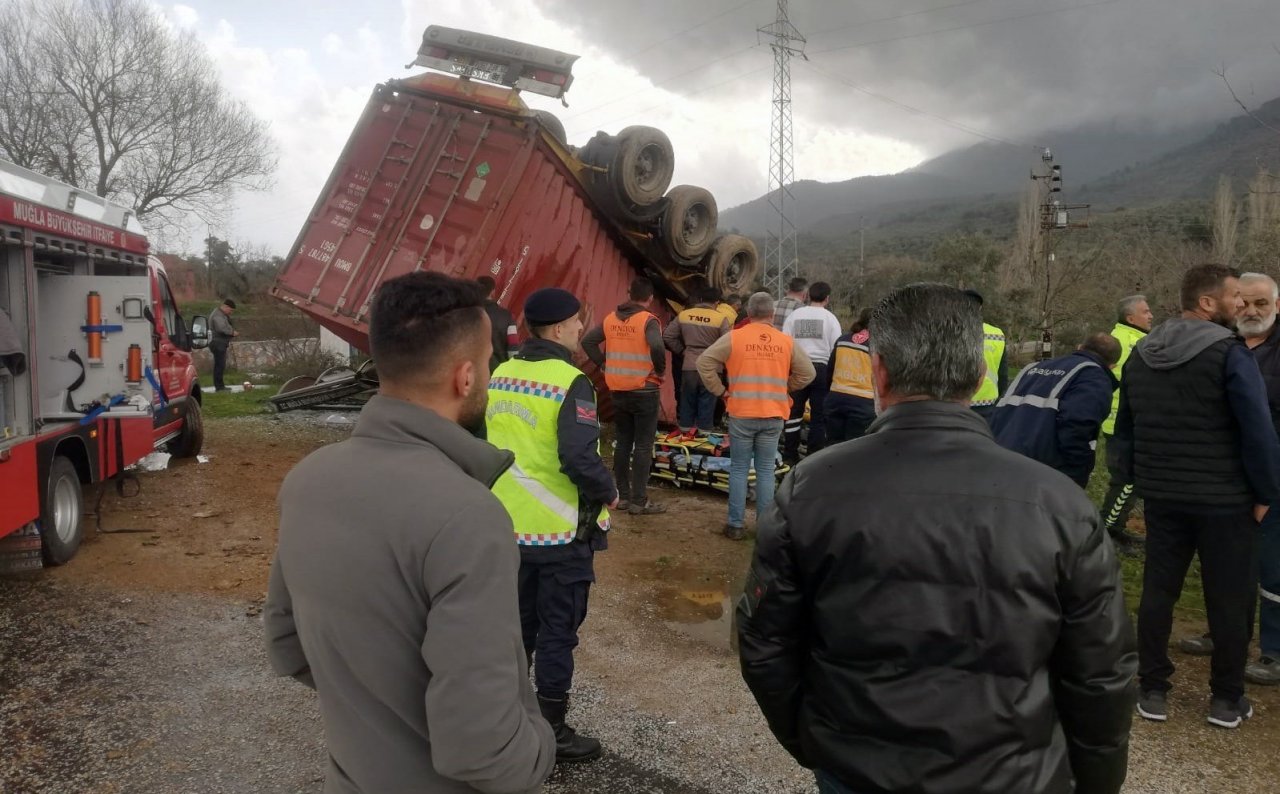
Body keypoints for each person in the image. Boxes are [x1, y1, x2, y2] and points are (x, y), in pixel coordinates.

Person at [738, 283, 1136, 794]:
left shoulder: (810, 485)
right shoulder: (1061, 504)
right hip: (1012, 774)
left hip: (856, 766)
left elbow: (765, 638)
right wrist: (1097, 781)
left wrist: (814, 740)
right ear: (977, 377)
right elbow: (1100, 672)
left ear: (878, 373)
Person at [265, 272, 556, 793]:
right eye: (489, 362)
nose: (489, 375)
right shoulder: (468, 515)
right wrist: (540, 743)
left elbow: (288, 646)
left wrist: (381, 710)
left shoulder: (307, 480)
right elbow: (483, 750)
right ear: (465, 377)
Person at [1116, 263, 1280, 729]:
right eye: (1235, 298)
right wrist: (1266, 491)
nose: (1241, 306)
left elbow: (1125, 428)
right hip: (1226, 501)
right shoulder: (1230, 354)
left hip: (1163, 497)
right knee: (1230, 599)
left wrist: (1138, 478)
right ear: (1207, 303)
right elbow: (1258, 431)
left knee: (1158, 592)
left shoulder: (1143, 351)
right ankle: (1226, 699)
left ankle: (1152, 690)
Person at [487, 287, 619, 763]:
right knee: (558, 632)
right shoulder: (570, 380)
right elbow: (578, 457)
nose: (581, 329)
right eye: (577, 322)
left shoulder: (501, 373)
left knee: (517, 628)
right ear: (560, 328)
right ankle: (553, 730)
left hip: (508, 529)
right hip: (561, 533)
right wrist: (609, 490)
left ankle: (510, 716)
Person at [1177, 272, 1280, 686]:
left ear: (1277, 305)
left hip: (1271, 480)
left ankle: (1273, 650)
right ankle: (1223, 633)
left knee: (1272, 566)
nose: (1251, 311)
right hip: (1222, 478)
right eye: (1245, 302)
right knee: (1225, 565)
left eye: (1262, 303)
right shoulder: (1222, 346)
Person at [697, 292, 814, 540]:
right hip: (773, 413)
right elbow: (808, 373)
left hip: (742, 412)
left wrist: (721, 392)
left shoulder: (735, 337)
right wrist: (785, 387)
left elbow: (704, 362)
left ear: (748, 314)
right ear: (772, 314)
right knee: (765, 470)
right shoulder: (785, 341)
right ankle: (764, 528)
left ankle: (735, 526)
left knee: (739, 468)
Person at [991, 332, 1121, 488]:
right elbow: (1078, 427)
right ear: (1112, 366)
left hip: (999, 458)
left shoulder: (1033, 368)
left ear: (1080, 347)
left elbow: (1000, 410)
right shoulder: (1094, 377)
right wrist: (1076, 478)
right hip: (1040, 474)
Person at [583, 278, 667, 515]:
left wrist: (603, 364)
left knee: (623, 442)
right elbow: (657, 346)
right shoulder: (648, 320)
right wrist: (660, 369)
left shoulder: (611, 319)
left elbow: (587, 341)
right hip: (645, 389)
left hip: (618, 389)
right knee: (642, 445)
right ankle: (639, 502)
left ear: (629, 294)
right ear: (649, 298)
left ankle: (622, 497)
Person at [1100, 294, 1154, 548]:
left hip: (1116, 423)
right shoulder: (1135, 343)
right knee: (1126, 481)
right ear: (1130, 317)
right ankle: (1108, 532)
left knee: (1128, 481)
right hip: (1124, 425)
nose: (1150, 315)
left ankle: (1115, 528)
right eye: (1145, 311)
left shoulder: (1115, 338)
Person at [781, 281, 842, 462]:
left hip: (798, 367)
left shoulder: (795, 315)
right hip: (822, 369)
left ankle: (789, 455)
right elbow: (835, 348)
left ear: (808, 295)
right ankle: (813, 457)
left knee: (794, 413)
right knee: (818, 416)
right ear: (827, 298)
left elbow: (786, 343)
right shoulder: (830, 318)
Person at [663, 287, 730, 437]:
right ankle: (704, 438)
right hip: (712, 368)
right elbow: (728, 343)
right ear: (717, 302)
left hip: (689, 365)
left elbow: (667, 336)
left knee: (687, 401)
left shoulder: (684, 315)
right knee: (707, 404)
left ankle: (685, 436)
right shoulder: (720, 319)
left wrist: (682, 350)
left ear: (700, 300)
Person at [823, 308, 875, 444]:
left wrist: (829, 394)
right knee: (854, 448)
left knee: (832, 446)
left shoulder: (842, 340)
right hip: (863, 403)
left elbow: (830, 370)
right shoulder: (877, 346)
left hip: (836, 399)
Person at [964, 289, 1008, 423]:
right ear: (980, 308)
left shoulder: (950, 330)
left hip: (958, 402)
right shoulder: (997, 334)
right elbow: (1003, 373)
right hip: (988, 404)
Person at [477, 275, 519, 372]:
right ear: (493, 292)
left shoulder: (467, 314)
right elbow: (513, 350)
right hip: (498, 374)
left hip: (473, 373)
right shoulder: (507, 316)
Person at [208, 298, 238, 392]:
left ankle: (220, 386)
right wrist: (232, 332)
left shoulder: (220, 314)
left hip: (219, 343)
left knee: (220, 365)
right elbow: (221, 328)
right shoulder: (218, 315)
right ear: (226, 307)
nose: (231, 312)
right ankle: (219, 387)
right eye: (231, 310)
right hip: (218, 343)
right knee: (219, 365)